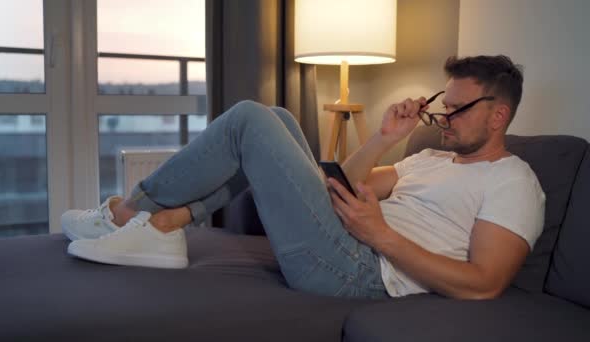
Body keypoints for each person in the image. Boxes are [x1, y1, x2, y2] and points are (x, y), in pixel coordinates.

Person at [62, 55, 545, 300]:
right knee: (278, 117)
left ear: (499, 115)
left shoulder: (514, 181)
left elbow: (484, 284)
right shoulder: (430, 159)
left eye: (459, 109)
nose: (445, 116)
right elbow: (336, 183)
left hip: (361, 271)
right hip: (346, 239)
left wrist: (381, 236)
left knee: (251, 118)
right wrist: (383, 137)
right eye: (446, 104)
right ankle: (168, 224)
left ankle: (129, 214)